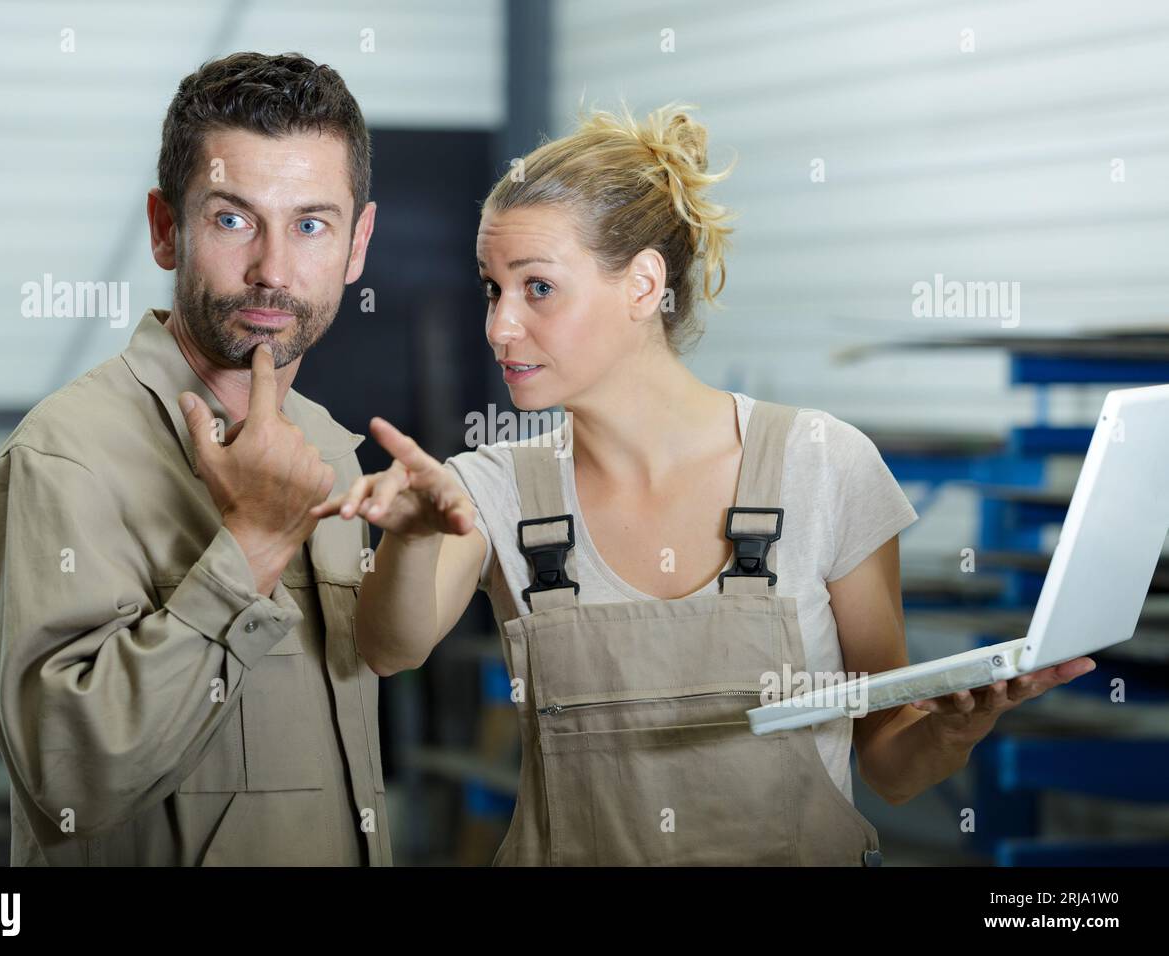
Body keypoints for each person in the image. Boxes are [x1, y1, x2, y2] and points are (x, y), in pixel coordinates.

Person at [313, 103, 1096, 866]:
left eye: (537, 288)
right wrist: (414, 539)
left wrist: (953, 729)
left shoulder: (822, 465)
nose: (499, 326)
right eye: (492, 288)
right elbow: (390, 649)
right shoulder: (489, 488)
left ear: (644, 284)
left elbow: (892, 765)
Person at [0, 52, 392, 865]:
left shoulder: (331, 452)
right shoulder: (64, 459)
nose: (272, 269)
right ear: (166, 229)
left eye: (310, 224)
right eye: (233, 219)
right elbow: (70, 784)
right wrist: (253, 544)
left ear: (356, 244)